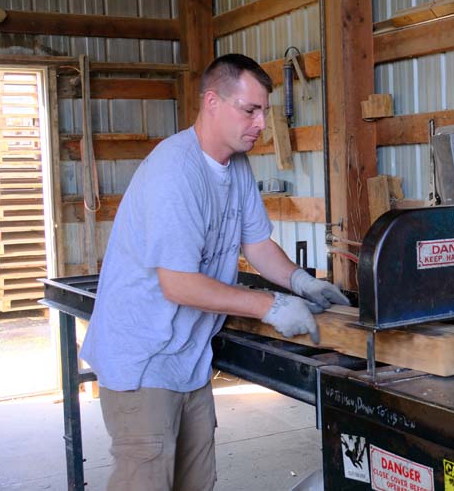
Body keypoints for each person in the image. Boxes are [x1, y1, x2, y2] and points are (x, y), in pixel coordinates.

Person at [80, 53, 349, 491]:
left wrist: (300, 281)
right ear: (211, 102)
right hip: (143, 358)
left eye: (263, 111)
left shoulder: (236, 165)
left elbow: (257, 244)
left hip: (188, 359)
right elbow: (178, 284)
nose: (260, 123)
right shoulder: (175, 172)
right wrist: (270, 305)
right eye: (250, 110)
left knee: (197, 482)